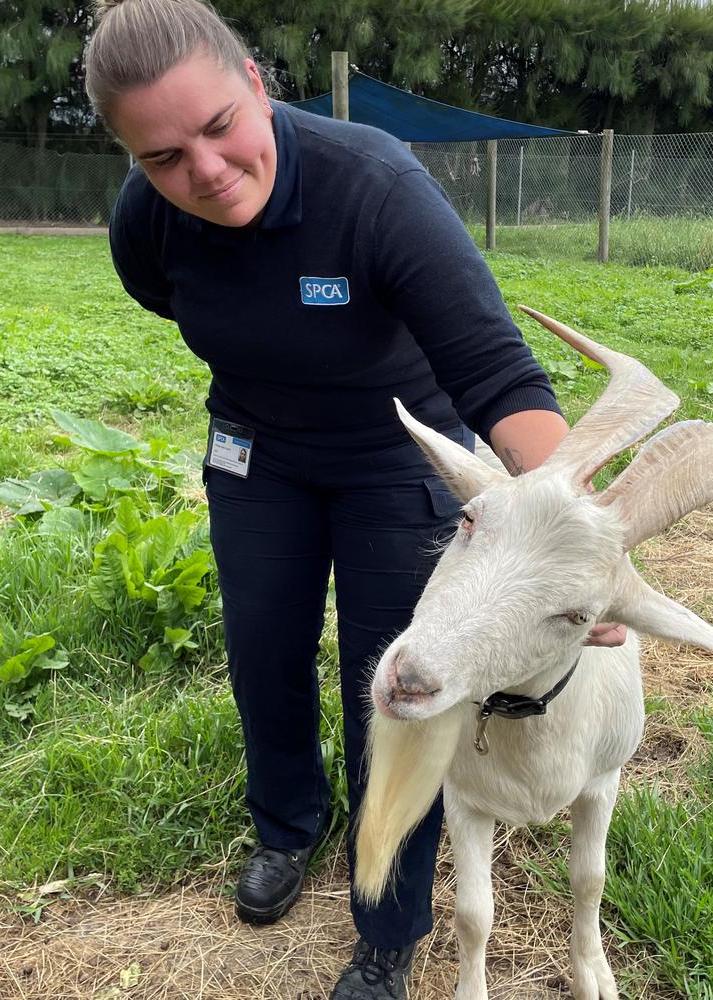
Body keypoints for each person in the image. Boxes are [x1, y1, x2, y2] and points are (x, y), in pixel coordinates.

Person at [84, 3, 625, 996]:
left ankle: (388, 922)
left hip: (399, 456)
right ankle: (287, 826)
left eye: (216, 126)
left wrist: (570, 543)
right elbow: (174, 294)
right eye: (161, 156)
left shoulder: (373, 187)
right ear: (130, 158)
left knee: (404, 689)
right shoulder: (145, 223)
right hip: (256, 452)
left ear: (255, 81)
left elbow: (498, 379)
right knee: (263, 652)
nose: (201, 170)